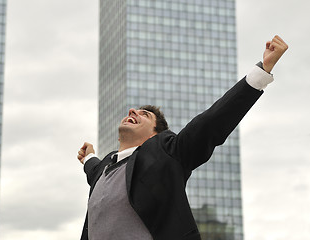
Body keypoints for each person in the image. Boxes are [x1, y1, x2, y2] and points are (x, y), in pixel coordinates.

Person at [77, 35, 288, 240]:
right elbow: (92, 167)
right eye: (134, 111)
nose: (133, 112)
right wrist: (88, 157)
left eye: (145, 115)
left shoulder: (165, 154)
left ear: (155, 135)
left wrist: (261, 73)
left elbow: (210, 124)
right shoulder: (103, 169)